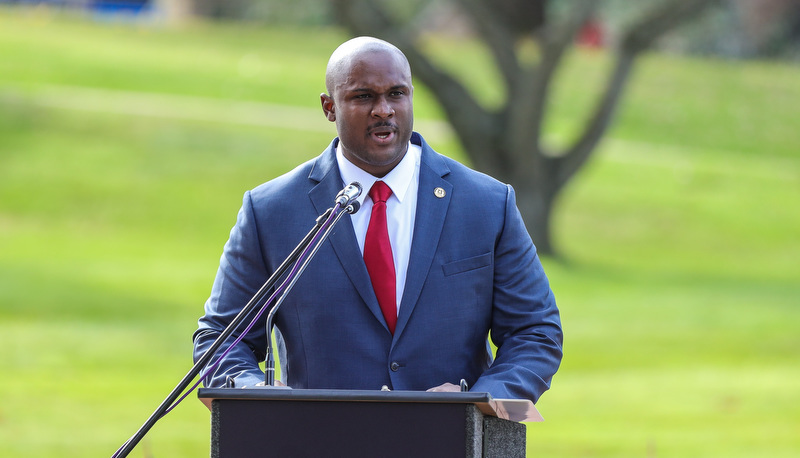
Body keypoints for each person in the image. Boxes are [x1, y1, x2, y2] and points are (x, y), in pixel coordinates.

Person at [193, 36, 562, 402]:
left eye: (396, 94)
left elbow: (535, 332)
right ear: (329, 107)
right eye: (363, 96)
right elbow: (222, 339)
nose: (383, 110)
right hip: (317, 439)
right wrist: (256, 396)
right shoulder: (271, 210)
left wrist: (478, 401)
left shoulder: (486, 203)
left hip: (451, 438)